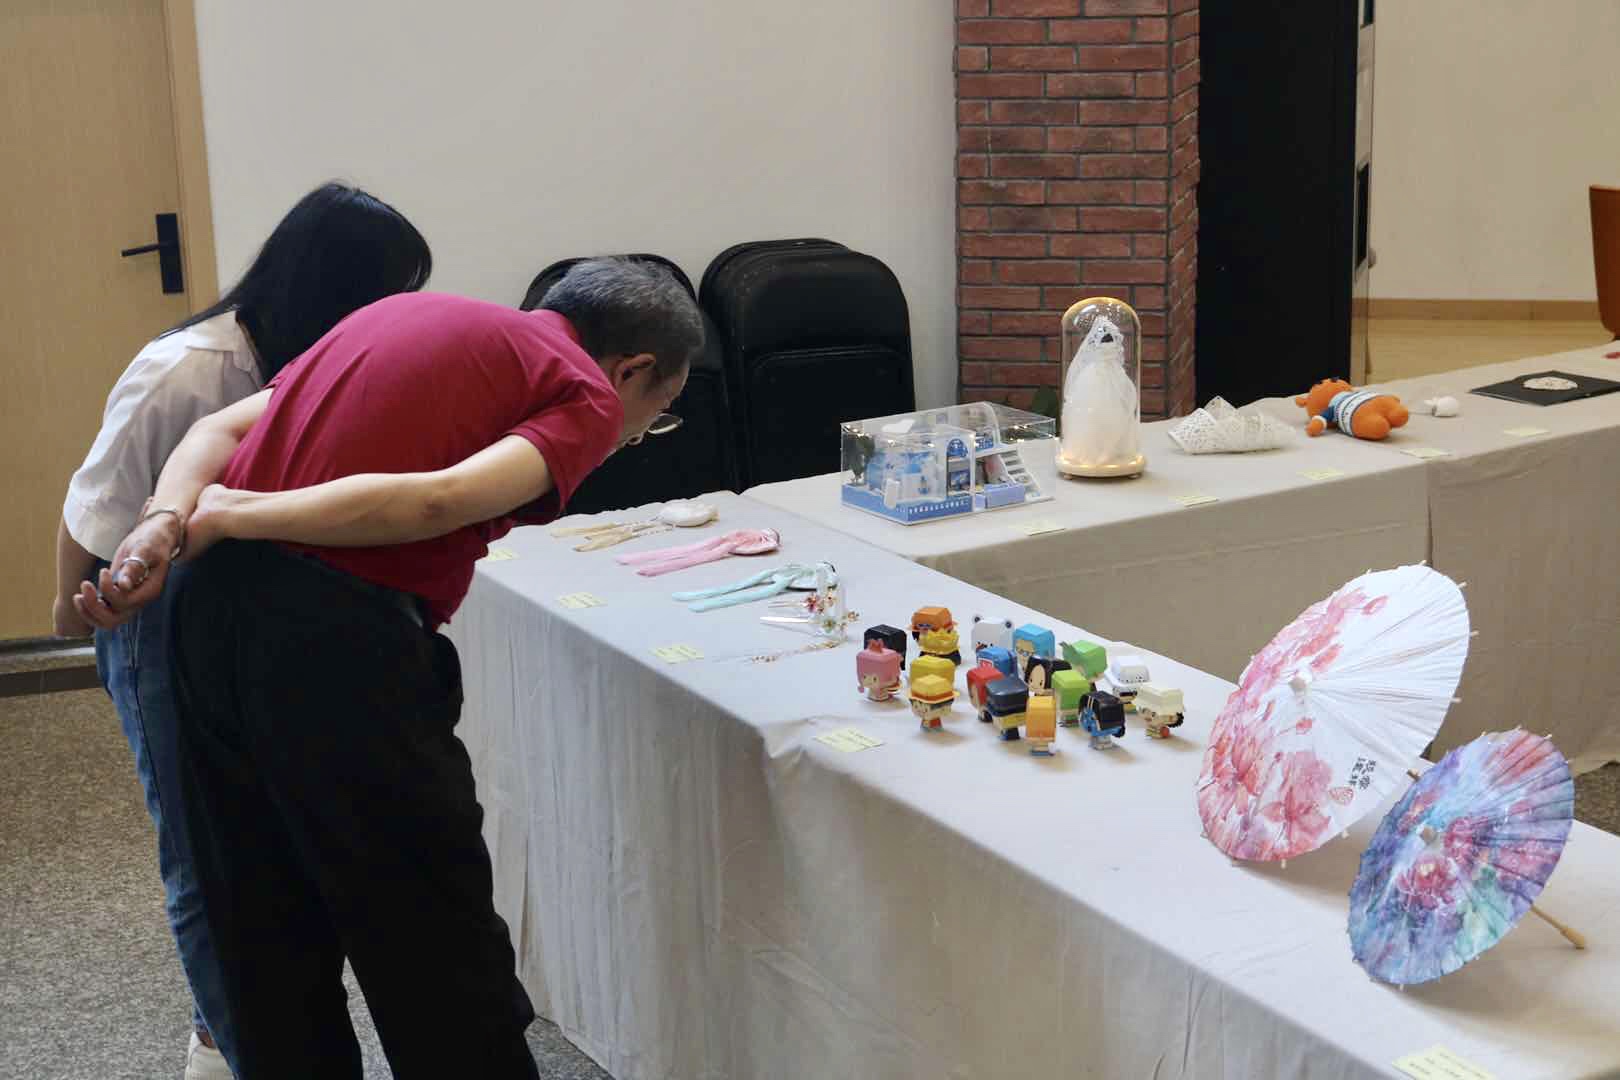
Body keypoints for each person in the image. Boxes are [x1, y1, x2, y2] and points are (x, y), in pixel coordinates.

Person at [74, 257, 703, 1079]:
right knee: (426, 923)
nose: (631, 438)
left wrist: (166, 518)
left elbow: (217, 432)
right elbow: (439, 500)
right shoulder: (583, 391)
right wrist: (234, 512)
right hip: (330, 643)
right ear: (634, 370)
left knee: (252, 916)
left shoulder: (397, 318)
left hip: (193, 619)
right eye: (653, 418)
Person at [53, 181, 432, 1080]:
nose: (397, 315)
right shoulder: (189, 369)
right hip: (152, 619)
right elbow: (95, 503)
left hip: (260, 623)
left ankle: (235, 1026)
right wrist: (70, 611)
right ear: (335, 284)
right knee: (199, 849)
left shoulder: (328, 361)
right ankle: (222, 1043)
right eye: (389, 291)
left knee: (267, 835)